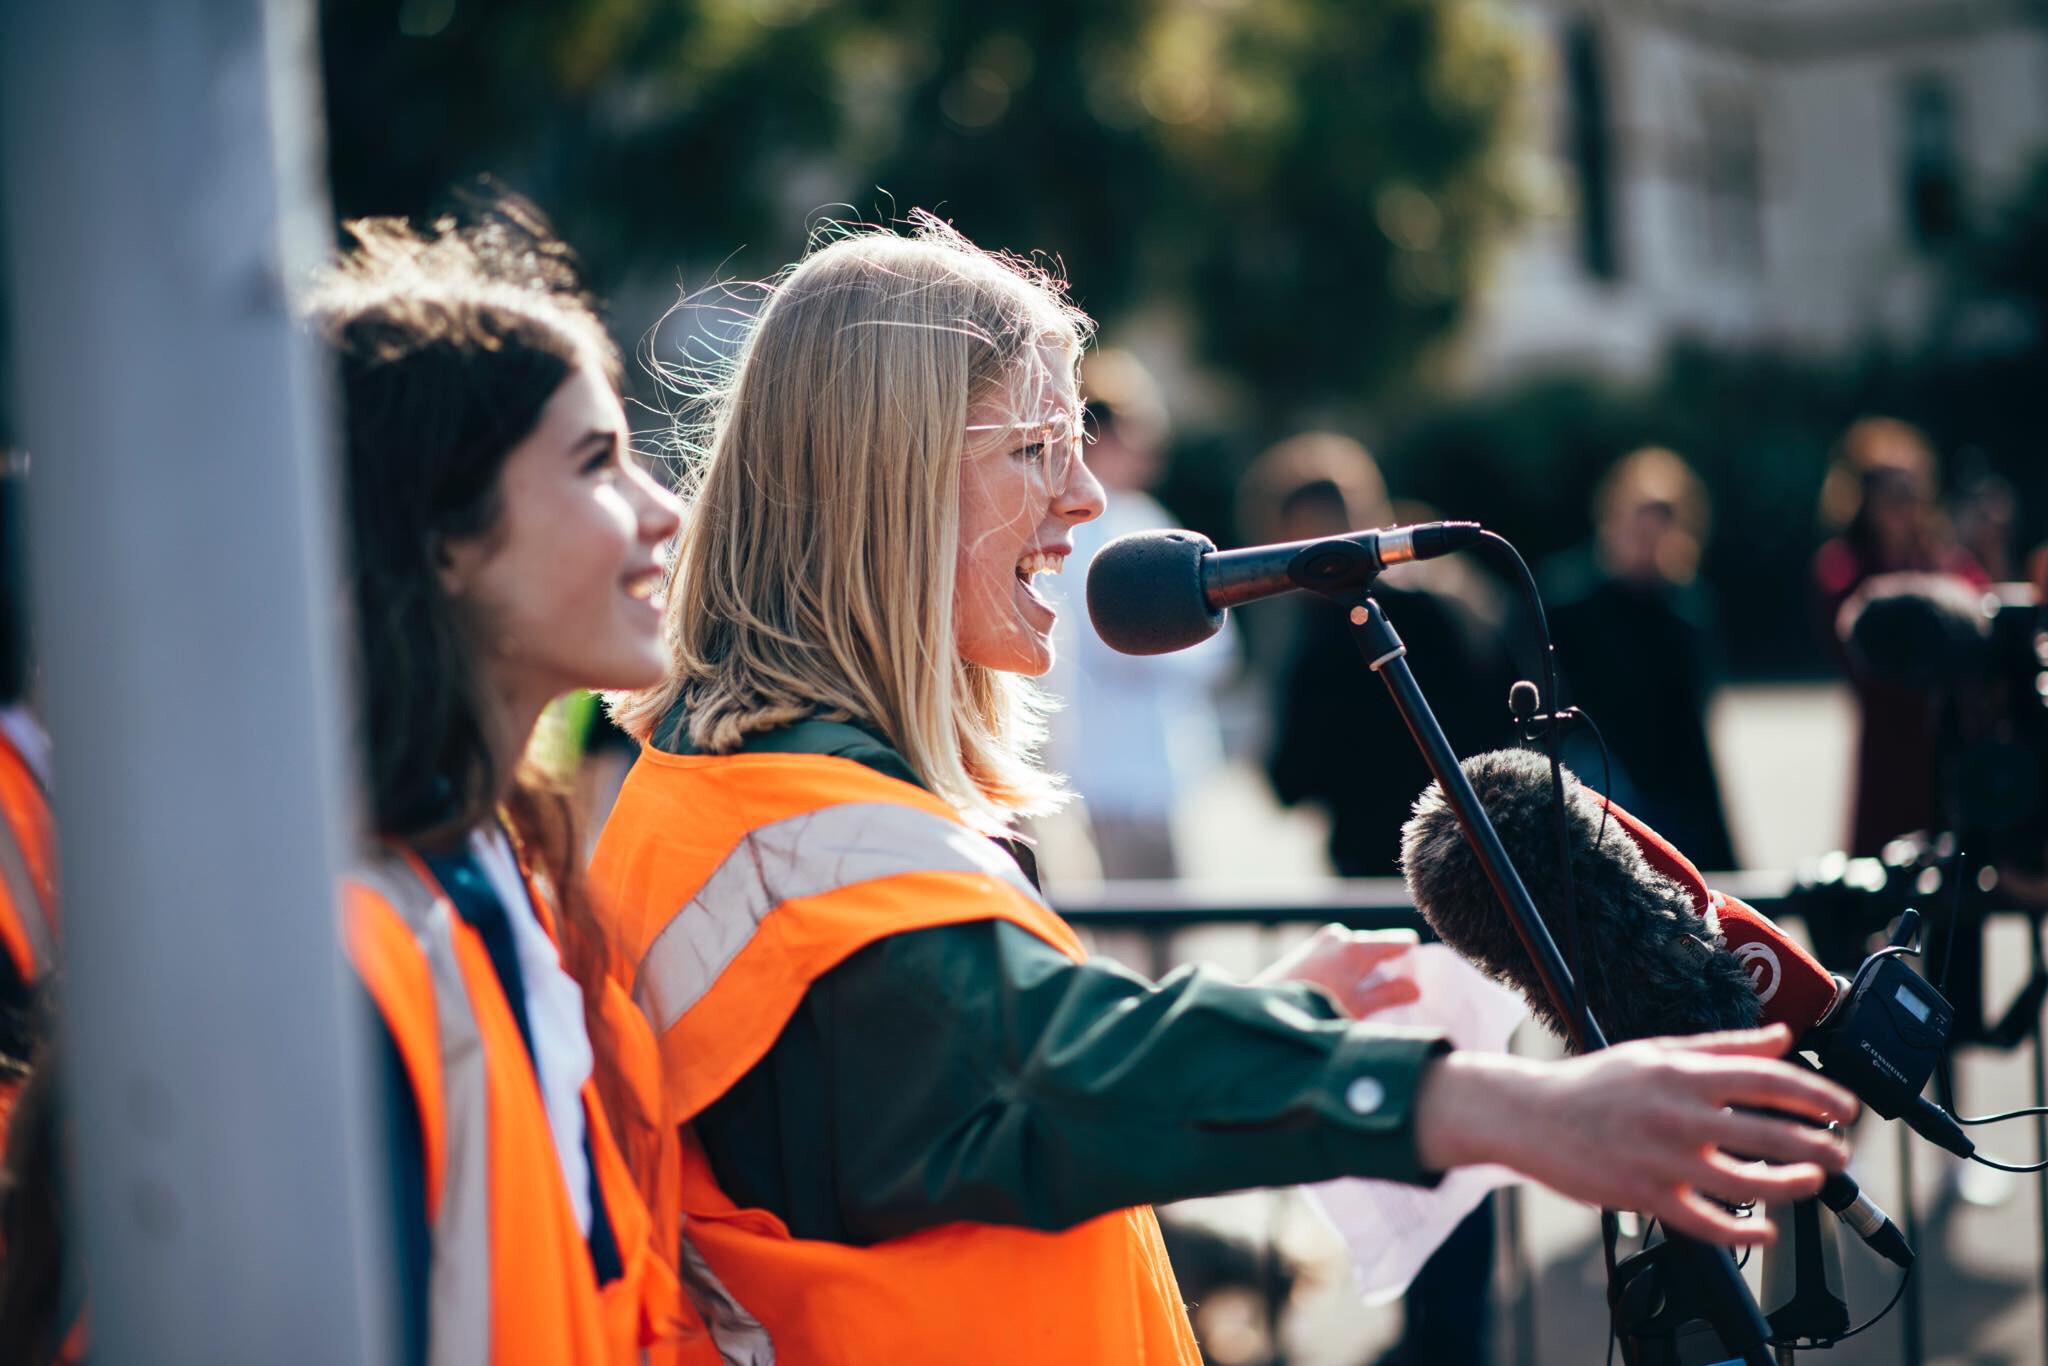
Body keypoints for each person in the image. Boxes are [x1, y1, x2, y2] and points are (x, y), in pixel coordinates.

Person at [595, 216, 1859, 1362]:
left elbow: (954, 1100)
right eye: (1037, 445)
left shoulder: (760, 792)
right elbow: (1029, 1080)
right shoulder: (789, 827)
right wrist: (1491, 1106)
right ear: (891, 474)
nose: (1084, 497)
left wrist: (1271, 1017)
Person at [307, 204, 705, 1365]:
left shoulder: (506, 878)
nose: (661, 508)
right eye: (596, 463)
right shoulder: (355, 937)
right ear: (438, 536)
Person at [1253, 433, 1517, 880]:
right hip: (1472, 853)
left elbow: (1290, 779)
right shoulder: (1449, 604)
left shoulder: (1322, 638)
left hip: (1375, 866)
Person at [1040, 349, 1233, 881]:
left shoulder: (1149, 518)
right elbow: (1104, 636)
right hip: (1104, 769)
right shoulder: (1069, 532)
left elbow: (1219, 641)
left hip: (1162, 765)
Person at [1544, 448, 1738, 871]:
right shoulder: (1569, 604)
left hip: (1673, 794)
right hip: (1596, 785)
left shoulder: (1685, 608)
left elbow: (1694, 725)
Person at [1810, 417, 1986, 858]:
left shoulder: (1942, 557)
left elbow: (1983, 614)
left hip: (1949, 746)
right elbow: (1859, 642)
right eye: (1893, 497)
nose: (1906, 509)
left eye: (1914, 495)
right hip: (1889, 746)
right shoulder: (1844, 565)